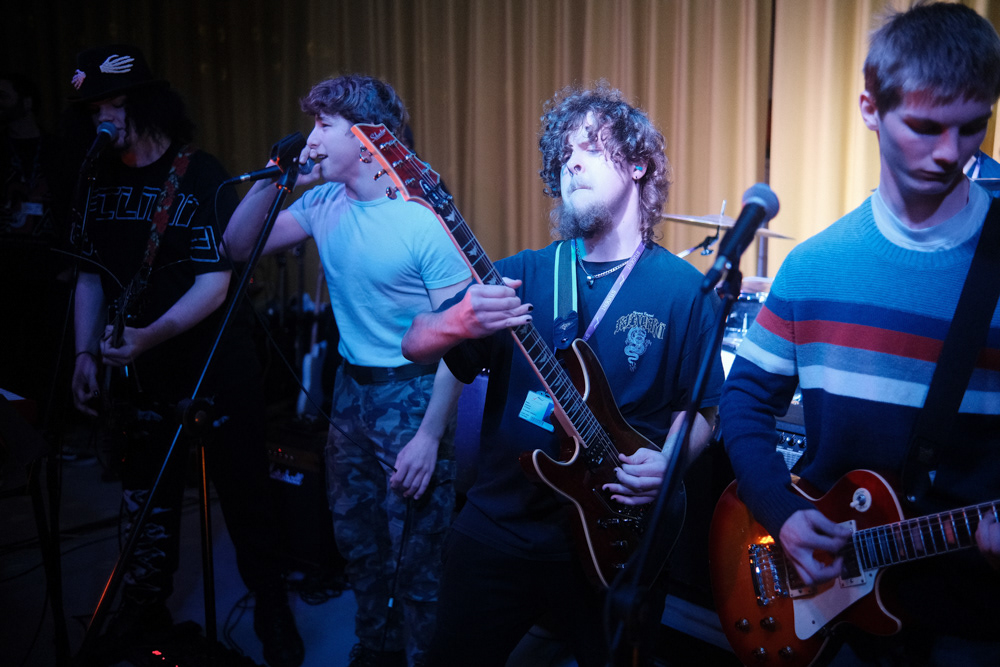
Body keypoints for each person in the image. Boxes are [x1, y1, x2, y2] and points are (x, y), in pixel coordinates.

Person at [401, 83, 723, 666]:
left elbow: (701, 409)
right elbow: (416, 343)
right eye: (565, 154)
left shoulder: (686, 291)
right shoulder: (523, 273)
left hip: (618, 529)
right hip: (501, 521)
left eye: (592, 148)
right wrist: (458, 320)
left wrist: (671, 461)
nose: (572, 162)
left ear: (638, 164)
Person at [720, 3, 1000, 664]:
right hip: (831, 601)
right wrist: (781, 511)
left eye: (974, 127)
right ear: (870, 108)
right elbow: (745, 399)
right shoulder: (815, 264)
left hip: (971, 613)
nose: (951, 153)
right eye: (925, 126)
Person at [66, 45, 303, 667]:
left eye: (113, 104)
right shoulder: (96, 179)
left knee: (246, 495)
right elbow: (88, 276)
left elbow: (215, 282)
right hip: (140, 373)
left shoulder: (198, 174)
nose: (102, 119)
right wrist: (84, 352)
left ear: (146, 103)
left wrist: (148, 335)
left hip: (215, 364)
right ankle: (143, 611)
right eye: (92, 110)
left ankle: (271, 607)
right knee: (145, 502)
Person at [223, 74, 471, 667]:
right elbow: (236, 246)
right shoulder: (323, 203)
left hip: (414, 394)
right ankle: (376, 647)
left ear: (366, 138)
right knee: (358, 541)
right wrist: (277, 178)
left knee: (418, 554)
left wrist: (429, 437)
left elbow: (462, 341)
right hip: (351, 391)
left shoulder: (423, 219)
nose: (310, 138)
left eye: (323, 125)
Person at [0, 71, 66, 415]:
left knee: (47, 352)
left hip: (48, 269)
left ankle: (51, 423)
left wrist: (70, 263)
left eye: (4, 96)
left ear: (26, 102)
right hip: (7, 270)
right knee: (9, 354)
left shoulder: (58, 151)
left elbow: (72, 207)